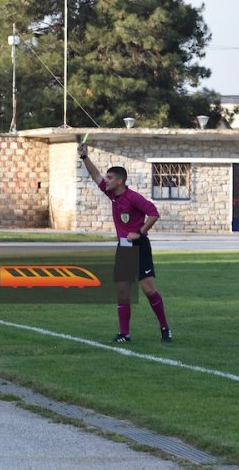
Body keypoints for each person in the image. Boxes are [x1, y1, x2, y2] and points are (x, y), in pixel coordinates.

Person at [77, 141, 172, 343]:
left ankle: (165, 328)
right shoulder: (112, 194)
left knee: (148, 290)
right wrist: (84, 157)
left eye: (110, 178)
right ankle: (124, 334)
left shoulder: (133, 197)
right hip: (124, 248)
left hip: (139, 247)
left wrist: (140, 232)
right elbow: (95, 176)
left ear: (120, 181)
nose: (106, 180)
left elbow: (154, 213)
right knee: (122, 292)